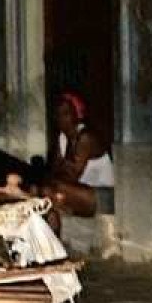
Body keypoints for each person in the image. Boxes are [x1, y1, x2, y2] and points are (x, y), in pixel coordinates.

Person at [43, 91, 116, 229]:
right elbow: (55, 170)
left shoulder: (85, 138)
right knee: (46, 192)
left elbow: (72, 176)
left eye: (66, 114)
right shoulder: (62, 139)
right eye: (59, 115)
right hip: (80, 191)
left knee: (53, 189)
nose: (62, 119)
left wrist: (57, 176)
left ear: (77, 115)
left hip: (102, 196)